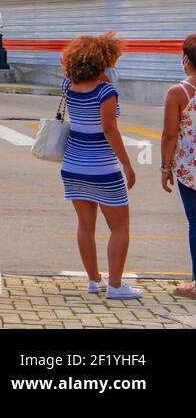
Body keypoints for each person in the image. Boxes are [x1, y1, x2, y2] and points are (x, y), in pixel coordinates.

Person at [59, 32, 141, 300]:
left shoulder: (67, 86)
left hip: (73, 166)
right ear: (104, 60)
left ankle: (94, 280)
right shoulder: (107, 92)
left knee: (85, 225)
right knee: (120, 228)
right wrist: (127, 165)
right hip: (102, 169)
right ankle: (116, 286)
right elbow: (109, 129)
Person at [161, 33, 196, 299]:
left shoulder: (179, 92)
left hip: (190, 171)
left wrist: (165, 168)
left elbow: (170, 135)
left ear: (185, 59)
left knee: (195, 224)